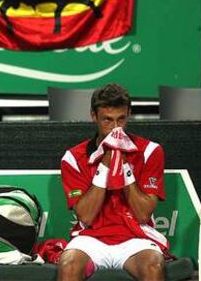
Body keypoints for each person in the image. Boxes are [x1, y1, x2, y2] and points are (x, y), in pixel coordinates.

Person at [58, 83, 168, 281]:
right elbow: (86, 216)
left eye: (121, 120)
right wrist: (106, 166)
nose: (115, 129)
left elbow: (143, 214)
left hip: (136, 238)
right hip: (91, 238)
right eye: (107, 120)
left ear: (129, 115)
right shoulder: (73, 157)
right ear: (94, 116)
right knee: (68, 264)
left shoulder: (151, 151)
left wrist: (123, 166)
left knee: (153, 266)